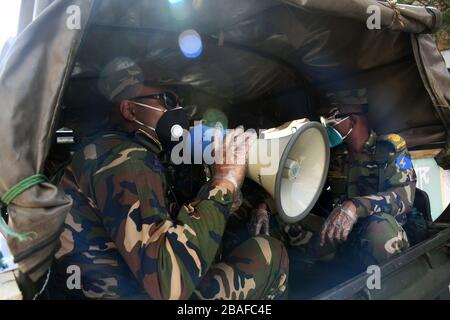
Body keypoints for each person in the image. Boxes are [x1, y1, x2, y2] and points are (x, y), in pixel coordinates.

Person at [49, 58, 288, 300]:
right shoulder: (127, 159)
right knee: (270, 253)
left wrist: (233, 199)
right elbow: (169, 283)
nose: (177, 110)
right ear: (130, 110)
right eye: (168, 100)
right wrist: (223, 182)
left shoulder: (108, 151)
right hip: (150, 290)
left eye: (178, 101)